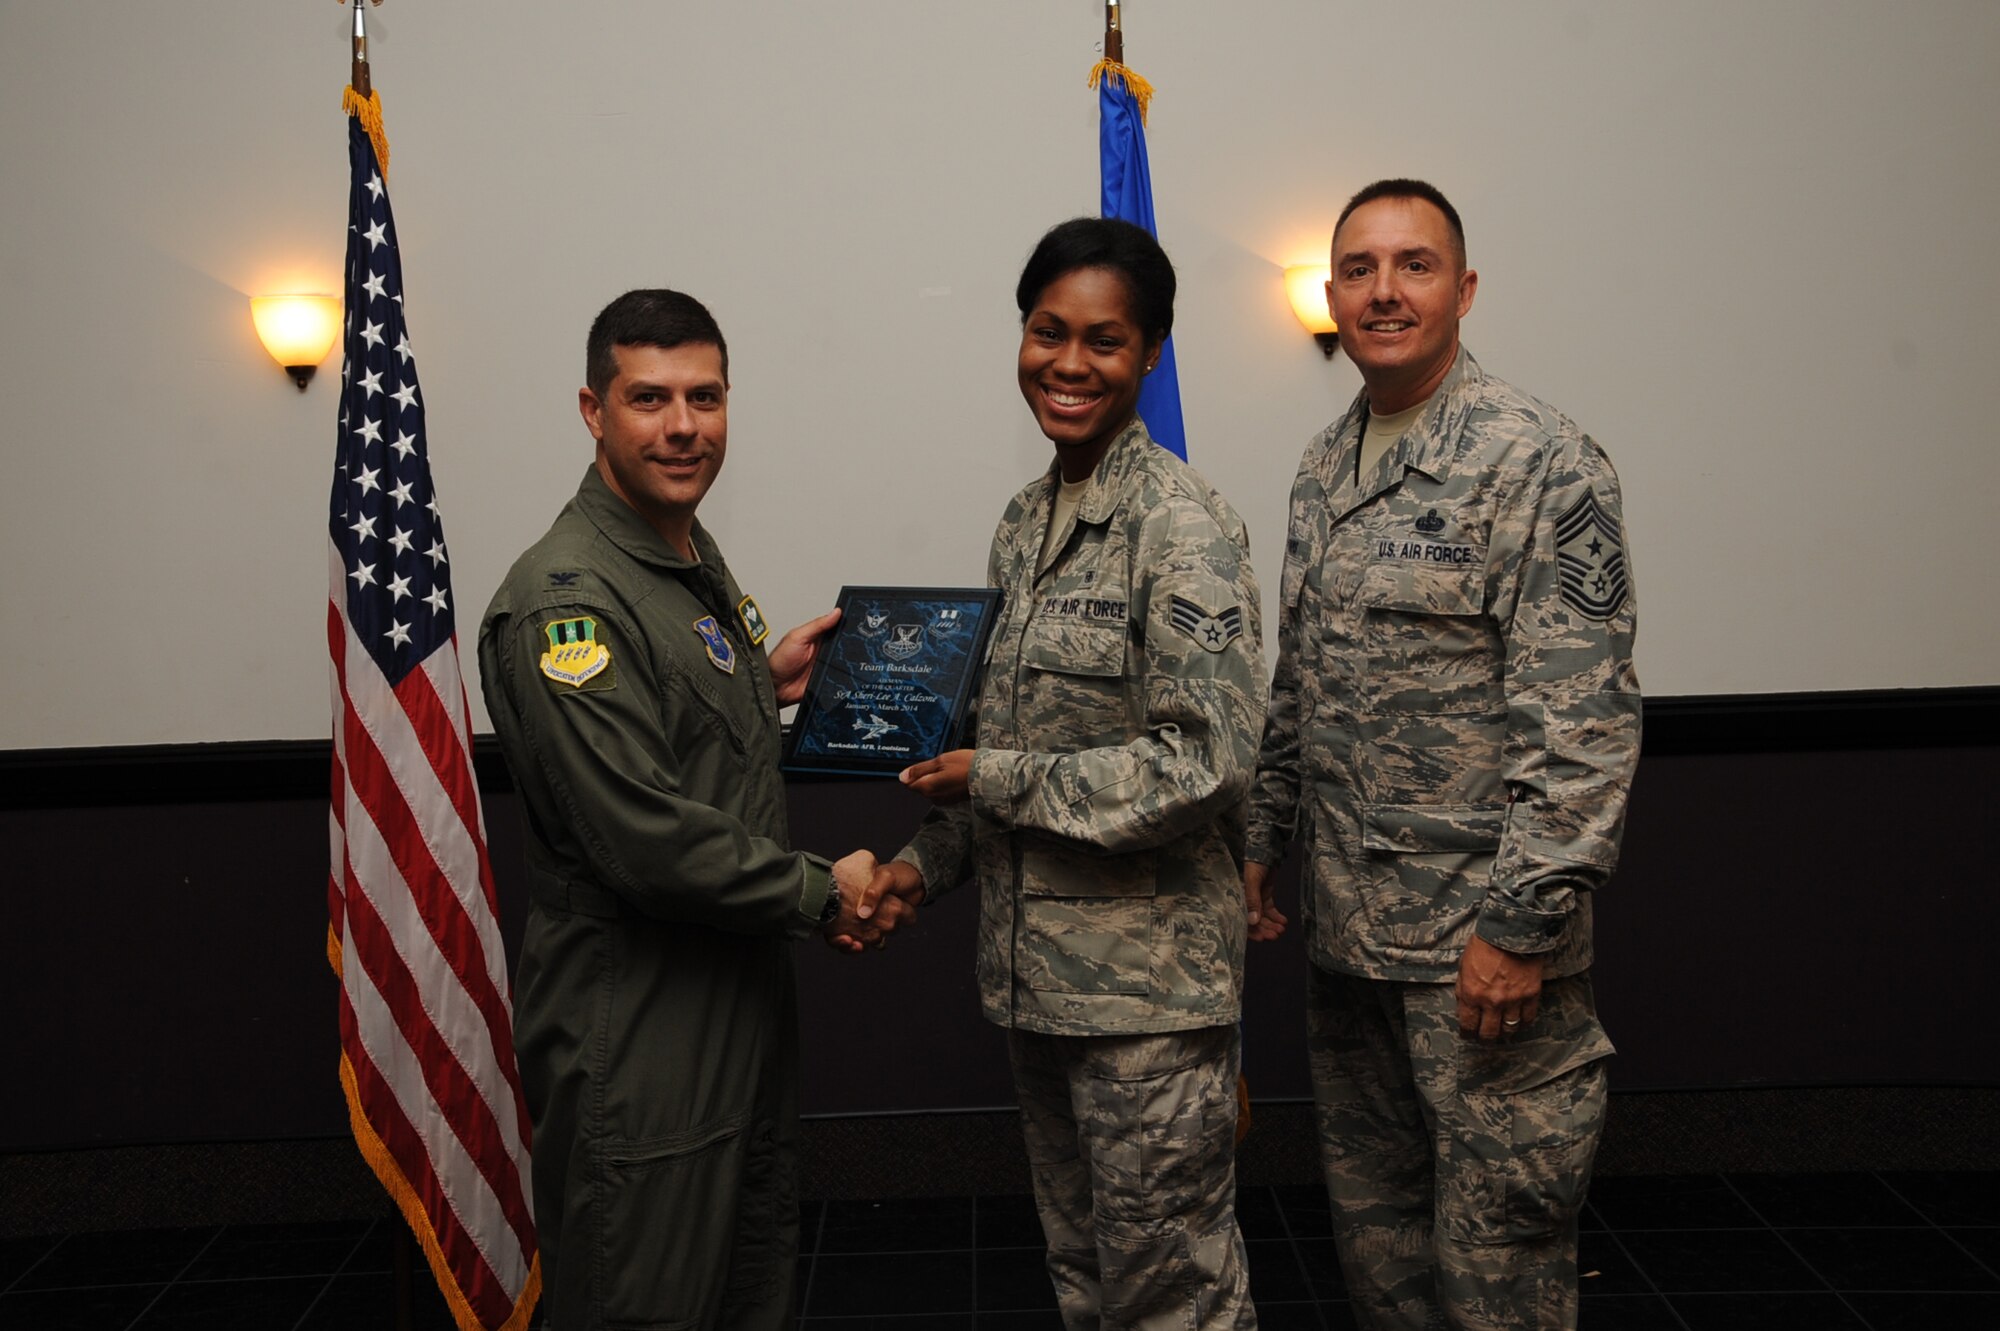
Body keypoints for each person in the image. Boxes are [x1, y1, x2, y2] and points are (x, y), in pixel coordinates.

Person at [477, 289, 920, 1331]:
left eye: (705, 396)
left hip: (736, 1003)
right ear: (593, 409)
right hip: (640, 1024)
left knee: (747, 1285)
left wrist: (759, 682)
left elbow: (667, 730)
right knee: (648, 1299)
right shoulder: (566, 598)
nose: (683, 425)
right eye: (650, 398)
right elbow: (640, 833)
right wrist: (825, 891)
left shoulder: (682, 554)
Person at [1241, 179, 1641, 1331]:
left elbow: (1582, 724)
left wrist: (1518, 929)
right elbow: (1295, 686)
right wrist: (1265, 840)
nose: (1382, 290)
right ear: (1330, 294)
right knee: (1384, 1264)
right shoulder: (1323, 467)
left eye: (1412, 265)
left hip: (1480, 963)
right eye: (1358, 269)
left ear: (1461, 289)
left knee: (1497, 1276)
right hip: (1351, 952)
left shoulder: (1541, 462)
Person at [861, 218, 1267, 1329]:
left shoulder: (1178, 526)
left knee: (1169, 1298)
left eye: (1104, 341)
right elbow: (994, 747)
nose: (1069, 364)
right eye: (1048, 332)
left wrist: (999, 776)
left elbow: (1204, 762)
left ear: (1148, 356)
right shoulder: (1025, 521)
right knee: (1088, 1284)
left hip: (1145, 1002)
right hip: (1043, 988)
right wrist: (914, 869)